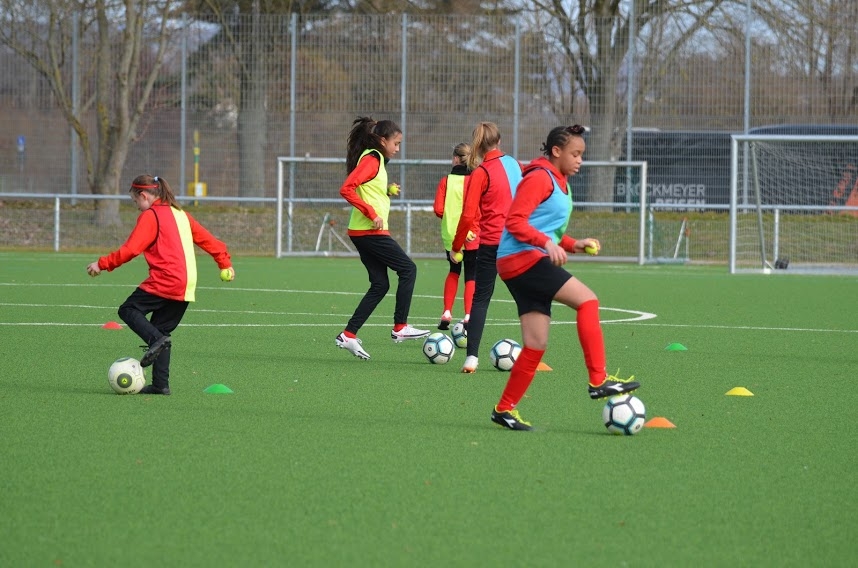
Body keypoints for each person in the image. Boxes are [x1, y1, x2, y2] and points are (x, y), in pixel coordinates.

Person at [489, 125, 640, 430]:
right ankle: (598, 380)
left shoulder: (560, 182)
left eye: (582, 154)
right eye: (575, 153)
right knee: (588, 301)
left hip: (520, 261)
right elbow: (515, 222)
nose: (580, 159)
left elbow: (545, 228)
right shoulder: (539, 177)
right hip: (523, 258)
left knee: (535, 344)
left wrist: (573, 244)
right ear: (556, 151)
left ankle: (504, 410)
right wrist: (546, 244)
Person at [86, 174, 233, 395]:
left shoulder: (151, 216)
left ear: (144, 196)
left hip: (166, 280)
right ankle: (160, 385)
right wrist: (225, 264)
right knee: (160, 331)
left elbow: (131, 250)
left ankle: (156, 342)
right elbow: (210, 242)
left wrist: (102, 264)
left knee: (128, 310)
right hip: (186, 284)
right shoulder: (181, 214)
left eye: (135, 201)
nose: (136, 206)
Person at [335, 116, 429, 360]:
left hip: (362, 231)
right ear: (382, 140)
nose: (397, 149)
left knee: (380, 285)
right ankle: (400, 327)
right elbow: (347, 188)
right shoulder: (372, 159)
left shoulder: (375, 160)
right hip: (369, 231)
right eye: (396, 143)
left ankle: (348, 335)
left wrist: (386, 191)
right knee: (408, 269)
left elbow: (367, 188)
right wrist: (371, 212)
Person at [450, 122, 522, 373]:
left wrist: (456, 246)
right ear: (499, 141)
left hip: (491, 245)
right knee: (525, 299)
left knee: (480, 300)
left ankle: (471, 358)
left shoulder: (480, 173)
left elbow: (468, 216)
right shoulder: (515, 164)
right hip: (517, 243)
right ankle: (532, 356)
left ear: (477, 146)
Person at [432, 142, 476, 330]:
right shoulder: (475, 181)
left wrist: (450, 218)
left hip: (451, 235)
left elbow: (438, 209)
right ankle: (468, 315)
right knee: (471, 275)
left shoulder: (446, 181)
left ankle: (447, 312)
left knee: (453, 271)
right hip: (472, 235)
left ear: (456, 159)